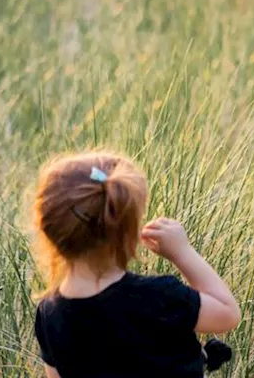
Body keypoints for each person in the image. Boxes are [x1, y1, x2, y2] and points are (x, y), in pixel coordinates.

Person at [29, 150, 241, 377]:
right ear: (129, 235)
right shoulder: (159, 297)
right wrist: (182, 252)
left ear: (47, 230)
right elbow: (228, 313)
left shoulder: (49, 314)